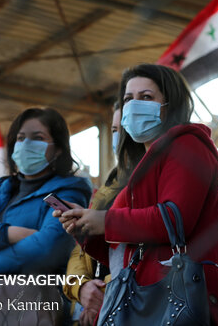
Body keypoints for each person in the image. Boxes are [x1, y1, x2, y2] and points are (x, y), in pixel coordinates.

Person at [56, 64, 218, 326]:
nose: (133, 105)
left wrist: (105, 221)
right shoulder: (142, 168)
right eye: (128, 99)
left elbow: (174, 219)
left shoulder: (186, 145)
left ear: (170, 105)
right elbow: (127, 250)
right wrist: (86, 228)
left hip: (179, 300)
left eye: (146, 97)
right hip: (145, 301)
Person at [0, 107, 92, 321]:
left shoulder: (70, 190)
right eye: (21, 138)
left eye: (38, 138)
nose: (25, 144)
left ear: (58, 149)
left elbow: (48, 249)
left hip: (37, 307)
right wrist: (8, 233)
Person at [62, 103, 127, 326]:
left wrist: (102, 292)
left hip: (128, 305)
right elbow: (79, 254)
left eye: (125, 127)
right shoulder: (105, 190)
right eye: (115, 130)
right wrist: (81, 288)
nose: (119, 136)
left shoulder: (153, 182)